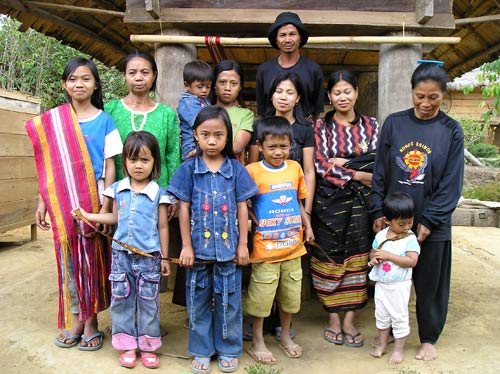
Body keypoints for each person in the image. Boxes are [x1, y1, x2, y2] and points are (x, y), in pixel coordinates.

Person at [26, 57, 122, 351]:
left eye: (85, 79)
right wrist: (43, 201)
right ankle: (77, 318)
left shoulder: (105, 120)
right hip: (62, 199)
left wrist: (106, 205)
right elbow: (49, 168)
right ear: (64, 85)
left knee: (92, 259)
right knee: (69, 260)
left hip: (93, 196)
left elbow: (110, 166)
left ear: (95, 84)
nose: (78, 84)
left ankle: (91, 321)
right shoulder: (54, 121)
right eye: (72, 79)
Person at [371, 61, 464, 361]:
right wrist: (377, 210)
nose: (425, 104)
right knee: (390, 280)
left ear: (443, 95)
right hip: (392, 220)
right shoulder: (395, 124)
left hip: (431, 222)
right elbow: (380, 172)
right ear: (411, 92)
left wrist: (431, 219)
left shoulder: (451, 130)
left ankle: (428, 337)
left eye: (433, 98)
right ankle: (386, 332)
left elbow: (452, 182)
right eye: (419, 96)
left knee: (430, 283)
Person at [167, 106, 258, 373]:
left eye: (218, 135)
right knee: (197, 302)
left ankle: (229, 348)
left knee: (229, 301)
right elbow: (183, 209)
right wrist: (185, 245)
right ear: (195, 134)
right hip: (197, 252)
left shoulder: (236, 169)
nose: (211, 141)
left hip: (229, 251)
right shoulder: (188, 169)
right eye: (205, 134)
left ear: (227, 137)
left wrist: (242, 244)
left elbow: (243, 207)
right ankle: (202, 350)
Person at [74, 131, 170, 369]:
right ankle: (127, 345)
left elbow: (162, 226)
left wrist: (165, 257)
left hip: (149, 259)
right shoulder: (117, 189)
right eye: (133, 159)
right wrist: (88, 215)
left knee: (148, 302)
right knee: (122, 300)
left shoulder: (158, 193)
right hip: (121, 257)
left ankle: (147, 347)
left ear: (154, 163)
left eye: (145, 160)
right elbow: (113, 217)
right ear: (124, 161)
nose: (138, 165)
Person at [309, 70, 379, 348]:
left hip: (362, 205)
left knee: (357, 260)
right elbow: (319, 165)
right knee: (329, 260)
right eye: (336, 92)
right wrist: (358, 172)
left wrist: (344, 164)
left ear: (357, 93)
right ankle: (333, 319)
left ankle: (349, 319)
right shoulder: (320, 127)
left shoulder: (372, 125)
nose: (342, 97)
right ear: (329, 96)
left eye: (347, 91)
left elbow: (377, 160)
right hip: (328, 206)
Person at [248, 72, 315, 341]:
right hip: (266, 247)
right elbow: (246, 204)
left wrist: (307, 225)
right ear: (261, 146)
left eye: (284, 147)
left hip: (293, 246)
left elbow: (299, 200)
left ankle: (285, 334)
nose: (278, 152)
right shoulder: (252, 171)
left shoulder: (295, 167)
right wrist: (255, 224)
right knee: (261, 293)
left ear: (291, 145)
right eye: (272, 147)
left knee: (290, 293)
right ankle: (258, 339)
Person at [104, 51, 180, 196]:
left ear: (154, 76)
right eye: (132, 73)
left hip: (159, 196)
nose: (138, 78)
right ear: (124, 76)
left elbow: (173, 157)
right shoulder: (110, 110)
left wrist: (172, 195)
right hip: (119, 194)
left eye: (145, 72)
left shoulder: (166, 114)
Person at [368, 192, 420, 364]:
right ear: (388, 220)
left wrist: (389, 256)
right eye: (401, 223)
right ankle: (382, 344)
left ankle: (398, 350)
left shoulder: (410, 239)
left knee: (399, 317)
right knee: (381, 315)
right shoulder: (380, 236)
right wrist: (373, 258)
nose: (406, 226)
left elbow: (412, 261)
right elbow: (373, 252)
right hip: (382, 285)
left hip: (399, 286)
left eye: (410, 222)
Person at [256, 11, 324, 121]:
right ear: (276, 40)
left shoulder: (313, 70)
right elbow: (261, 110)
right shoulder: (264, 70)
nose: (287, 40)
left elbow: (318, 110)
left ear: (300, 38)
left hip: (304, 132)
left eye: (292, 34)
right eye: (282, 35)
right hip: (272, 132)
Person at [211, 60, 254, 163]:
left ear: (240, 87)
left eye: (233, 83)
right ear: (214, 85)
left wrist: (207, 147)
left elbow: (237, 147)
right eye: (222, 82)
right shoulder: (204, 112)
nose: (227, 88)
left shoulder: (246, 114)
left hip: (233, 172)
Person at [178, 59, 213, 161]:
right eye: (200, 86)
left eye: (208, 86)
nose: (204, 90)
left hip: (201, 143)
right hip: (192, 147)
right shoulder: (188, 102)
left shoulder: (203, 100)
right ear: (187, 85)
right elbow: (200, 123)